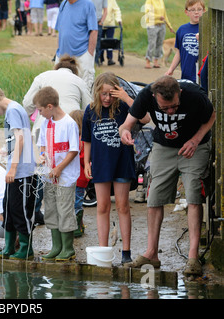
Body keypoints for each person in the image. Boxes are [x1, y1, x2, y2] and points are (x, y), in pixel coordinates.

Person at [119, 75, 215, 276]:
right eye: (165, 108)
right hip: (164, 146)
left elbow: (211, 116)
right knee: (154, 199)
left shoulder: (195, 96)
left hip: (194, 145)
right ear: (155, 96)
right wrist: (125, 131)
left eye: (174, 106)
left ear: (179, 94)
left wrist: (196, 140)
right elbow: (127, 123)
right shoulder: (146, 95)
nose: (170, 112)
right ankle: (151, 253)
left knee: (193, 196)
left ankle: (192, 257)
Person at [82, 72, 146, 264]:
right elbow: (87, 139)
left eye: (112, 94)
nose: (107, 98)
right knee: (102, 206)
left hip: (122, 161)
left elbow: (145, 118)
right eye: (103, 94)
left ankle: (126, 253)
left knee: (122, 206)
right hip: (101, 163)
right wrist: (86, 162)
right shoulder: (90, 110)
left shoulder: (124, 107)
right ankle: (104, 251)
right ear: (97, 93)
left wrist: (126, 97)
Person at [0, 83, 37, 261]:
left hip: (22, 172)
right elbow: (16, 139)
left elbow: (20, 139)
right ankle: (9, 246)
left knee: (20, 211)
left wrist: (12, 168)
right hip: (16, 169)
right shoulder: (15, 107)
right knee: (9, 209)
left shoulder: (12, 110)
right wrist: (7, 149)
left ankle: (26, 249)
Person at [34, 87, 79, 262]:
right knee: (51, 209)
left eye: (40, 110)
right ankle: (56, 246)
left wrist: (59, 168)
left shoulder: (69, 123)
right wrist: (43, 156)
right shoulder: (47, 123)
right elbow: (43, 145)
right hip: (49, 175)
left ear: (50, 106)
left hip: (65, 176)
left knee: (65, 210)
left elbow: (73, 150)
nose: (39, 114)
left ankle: (68, 248)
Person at [23, 54, 91, 142]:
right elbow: (89, 109)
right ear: (75, 71)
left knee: (40, 155)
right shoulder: (80, 81)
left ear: (56, 67)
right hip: (70, 129)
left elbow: (27, 103)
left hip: (42, 129)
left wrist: (35, 117)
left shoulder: (42, 77)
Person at [55, 0, 98, 91]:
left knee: (85, 88)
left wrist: (89, 54)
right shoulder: (63, 4)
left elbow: (94, 30)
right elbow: (60, 29)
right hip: (63, 56)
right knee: (61, 87)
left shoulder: (88, 4)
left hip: (82, 54)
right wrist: (59, 50)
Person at [165, 0, 206, 82]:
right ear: (186, 12)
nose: (196, 12)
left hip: (202, 75)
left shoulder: (206, 28)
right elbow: (179, 52)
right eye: (193, 10)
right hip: (186, 74)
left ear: (204, 11)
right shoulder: (182, 30)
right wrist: (171, 69)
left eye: (199, 9)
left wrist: (202, 41)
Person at [69, 109, 88, 237]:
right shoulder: (83, 140)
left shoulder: (79, 141)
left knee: (74, 202)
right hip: (80, 178)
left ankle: (76, 226)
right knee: (77, 201)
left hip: (77, 176)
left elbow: (82, 158)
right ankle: (79, 225)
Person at [144, 0, 175, 69]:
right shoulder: (149, 1)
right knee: (152, 43)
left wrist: (169, 26)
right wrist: (158, 17)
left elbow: (164, 15)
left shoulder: (161, 1)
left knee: (160, 43)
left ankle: (156, 61)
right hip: (152, 24)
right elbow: (148, 13)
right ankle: (148, 61)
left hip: (162, 25)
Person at [101, 0, 122, 66]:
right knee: (100, 42)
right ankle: (100, 58)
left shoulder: (112, 1)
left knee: (110, 41)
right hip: (100, 25)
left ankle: (110, 58)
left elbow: (116, 10)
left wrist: (118, 19)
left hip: (110, 24)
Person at [91, 0, 108, 66]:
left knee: (97, 43)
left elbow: (105, 10)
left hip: (98, 23)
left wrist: (101, 22)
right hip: (88, 22)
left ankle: (96, 61)